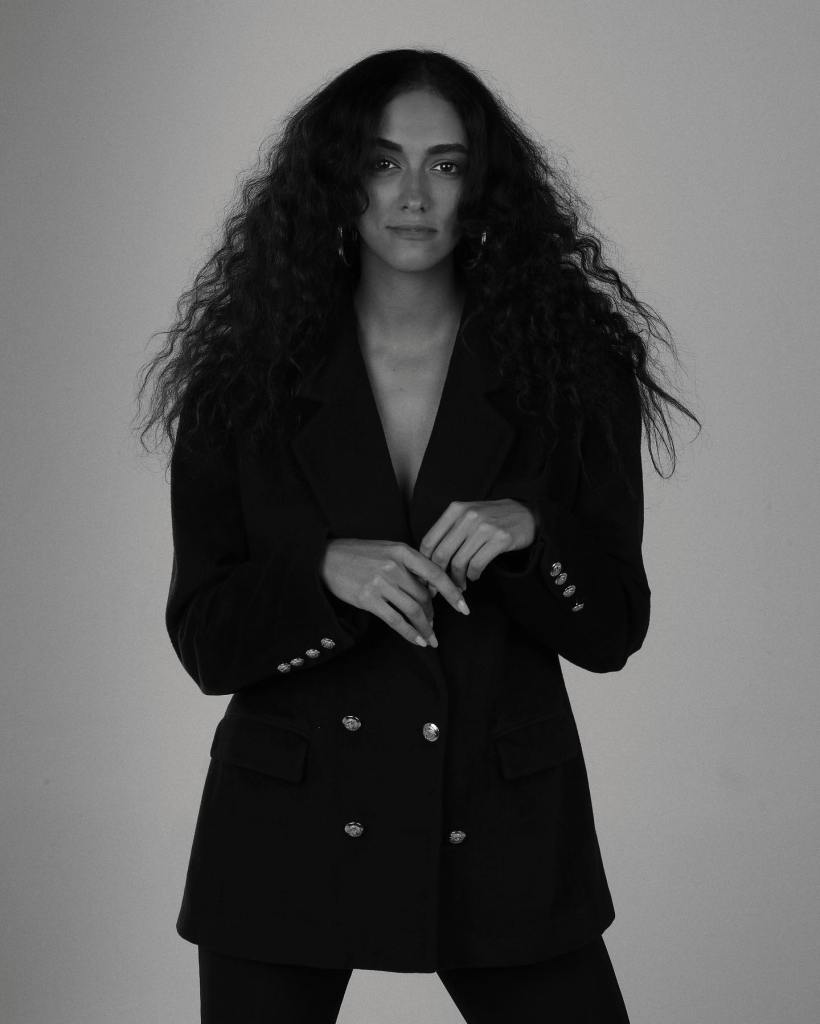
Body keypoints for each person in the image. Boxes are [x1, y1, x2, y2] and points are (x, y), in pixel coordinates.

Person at [134, 47, 699, 1024]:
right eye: (382, 161)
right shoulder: (243, 379)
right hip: (288, 824)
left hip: (500, 820)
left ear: (481, 186)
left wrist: (533, 533)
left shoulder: (573, 371)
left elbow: (612, 629)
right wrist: (319, 575)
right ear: (337, 180)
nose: (412, 196)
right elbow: (205, 640)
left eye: (445, 164)